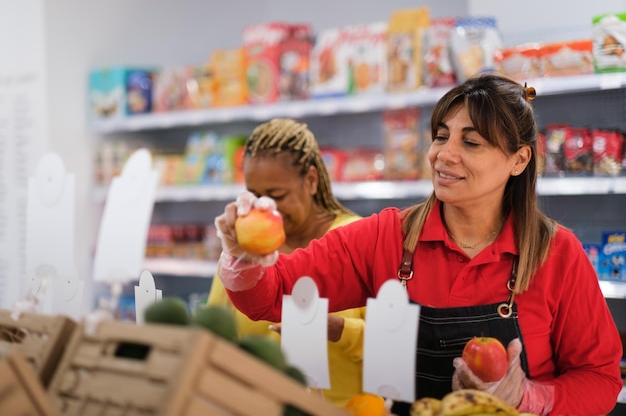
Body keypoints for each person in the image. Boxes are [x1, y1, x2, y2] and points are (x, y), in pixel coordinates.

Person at [214, 74, 624, 416]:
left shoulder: (557, 253)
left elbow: (601, 378)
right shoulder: (386, 238)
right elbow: (272, 296)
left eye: (471, 142)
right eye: (441, 136)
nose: (444, 155)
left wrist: (531, 398)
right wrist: (243, 257)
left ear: (519, 160)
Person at [206, 118, 366, 407]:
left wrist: (338, 330)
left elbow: (397, 344)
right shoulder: (244, 251)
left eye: (277, 195)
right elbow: (212, 332)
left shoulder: (357, 240)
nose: (265, 206)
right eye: (254, 195)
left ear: (311, 180)